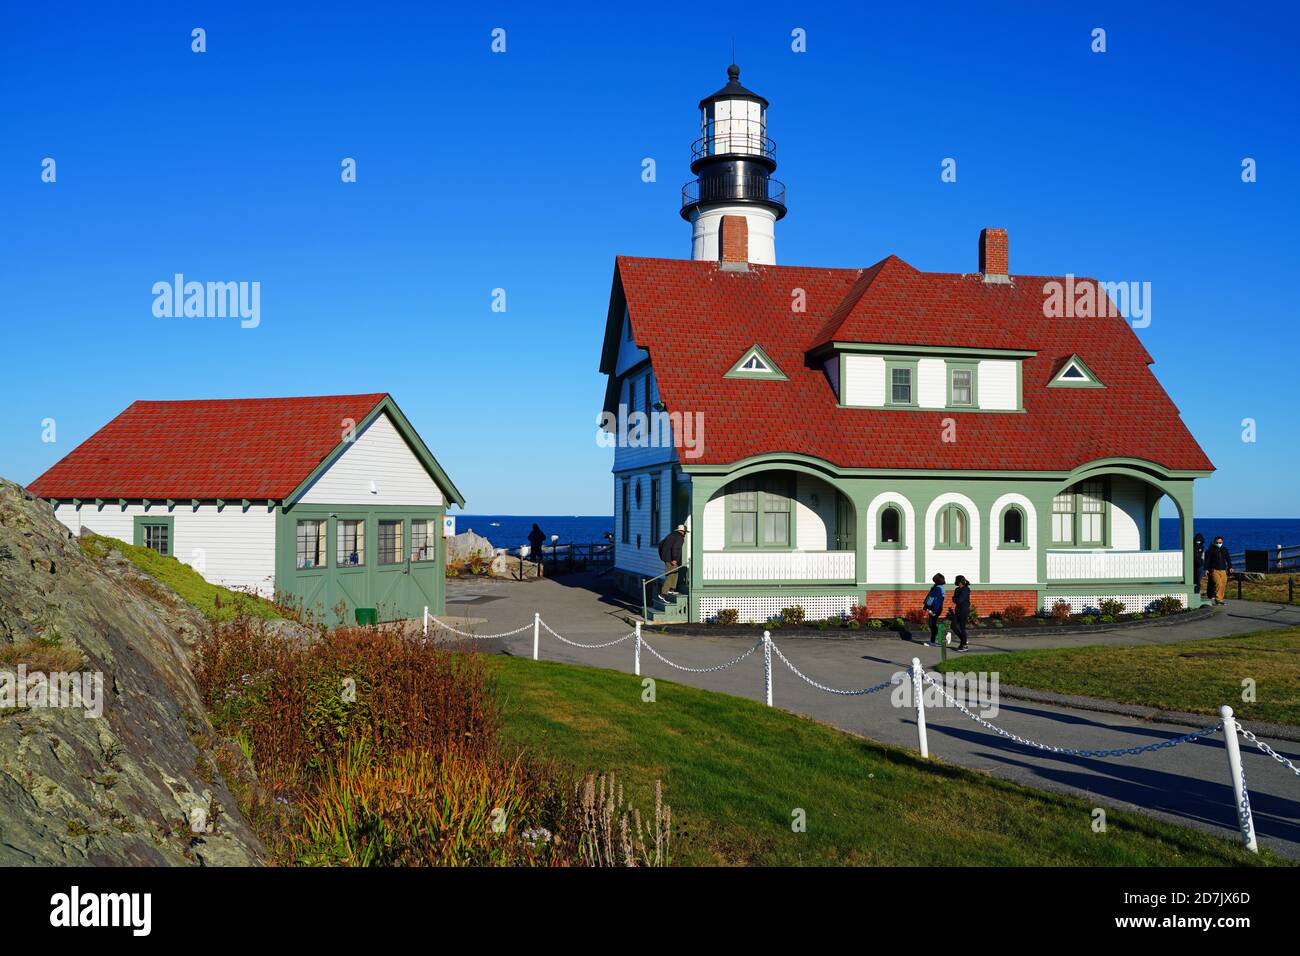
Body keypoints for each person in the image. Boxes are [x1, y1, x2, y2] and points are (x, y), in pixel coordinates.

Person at [658, 524, 686, 597]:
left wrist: (662, 556)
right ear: (683, 531)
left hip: (666, 558)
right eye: (685, 532)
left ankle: (671, 589)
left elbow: (660, 544)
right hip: (671, 559)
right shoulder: (680, 537)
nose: (685, 534)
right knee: (670, 575)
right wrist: (674, 559)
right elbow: (675, 548)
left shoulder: (671, 535)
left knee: (675, 572)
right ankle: (663, 593)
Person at [1205, 535, 1232, 605]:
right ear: (1214, 542)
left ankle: (1221, 599)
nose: (1219, 544)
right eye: (1217, 542)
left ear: (1222, 542)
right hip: (1214, 570)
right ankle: (1217, 599)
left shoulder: (1224, 549)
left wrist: (1230, 567)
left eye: (1220, 542)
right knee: (1218, 584)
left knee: (1223, 584)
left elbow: (1228, 559)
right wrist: (1206, 569)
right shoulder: (1210, 550)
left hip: (1223, 570)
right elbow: (1207, 560)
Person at [923, 573, 946, 645]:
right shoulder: (937, 587)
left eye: (934, 580)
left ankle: (935, 640)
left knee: (932, 624)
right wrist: (926, 606)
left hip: (935, 608)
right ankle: (933, 640)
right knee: (932, 624)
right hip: (934, 608)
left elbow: (937, 600)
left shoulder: (938, 589)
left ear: (937, 580)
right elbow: (929, 597)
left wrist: (934, 610)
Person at [950, 575, 971, 651]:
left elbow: (959, 600)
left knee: (962, 628)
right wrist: (955, 598)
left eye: (956, 580)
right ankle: (964, 640)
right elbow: (954, 599)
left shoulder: (966, 589)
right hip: (958, 610)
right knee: (953, 626)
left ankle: (964, 645)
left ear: (959, 581)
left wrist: (955, 598)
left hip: (964, 610)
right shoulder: (957, 589)